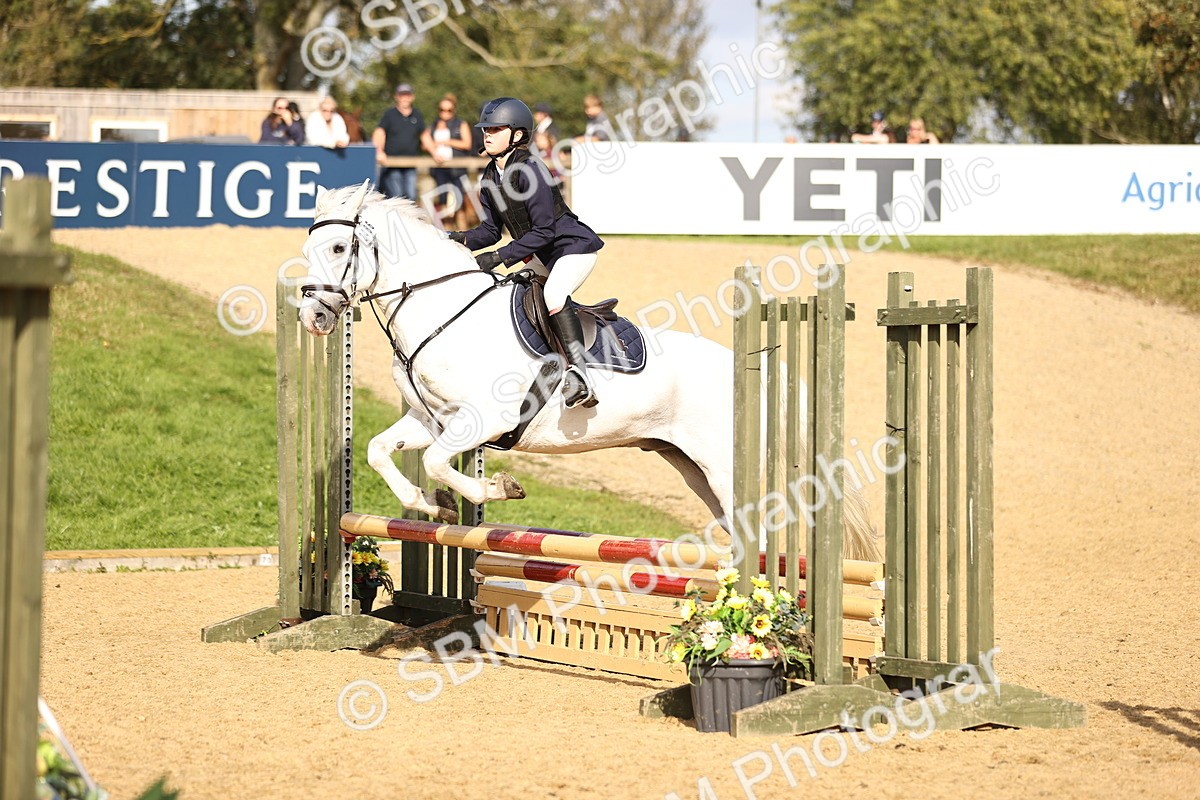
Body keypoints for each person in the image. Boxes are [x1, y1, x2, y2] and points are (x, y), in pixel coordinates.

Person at [447, 97, 604, 409]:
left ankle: (580, 376)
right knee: (510, 294)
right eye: (485, 129)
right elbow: (490, 231)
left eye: (495, 129)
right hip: (540, 254)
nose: (487, 134)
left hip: (572, 248)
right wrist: (452, 239)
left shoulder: (531, 170)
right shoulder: (490, 175)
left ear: (517, 135)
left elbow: (544, 231)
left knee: (554, 294)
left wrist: (499, 257)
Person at [373, 83, 432, 200]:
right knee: (397, 196)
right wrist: (379, 151)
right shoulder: (390, 114)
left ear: (412, 97)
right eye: (402, 95)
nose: (405, 98)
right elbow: (379, 133)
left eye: (407, 95)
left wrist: (435, 152)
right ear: (396, 96)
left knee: (411, 196)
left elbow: (424, 136)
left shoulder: (417, 115)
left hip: (410, 164)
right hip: (391, 164)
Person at [428, 93, 473, 228]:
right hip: (440, 169)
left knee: (458, 202)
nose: (445, 113)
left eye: (449, 110)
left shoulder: (461, 124)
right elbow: (425, 143)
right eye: (442, 110)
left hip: (457, 169)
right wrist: (433, 147)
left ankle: (463, 233)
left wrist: (447, 142)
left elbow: (467, 144)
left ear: (454, 110)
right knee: (442, 201)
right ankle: (446, 231)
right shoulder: (433, 125)